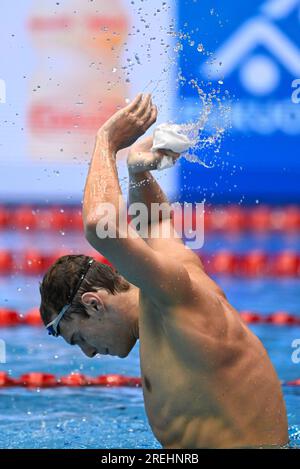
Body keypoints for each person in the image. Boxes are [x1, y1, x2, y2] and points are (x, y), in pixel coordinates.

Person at [39, 93, 288, 448]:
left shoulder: (176, 298)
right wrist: (137, 172)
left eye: (79, 338)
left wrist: (106, 143)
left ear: (94, 303)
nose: (90, 354)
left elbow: (100, 224)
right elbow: (154, 222)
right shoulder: (166, 289)